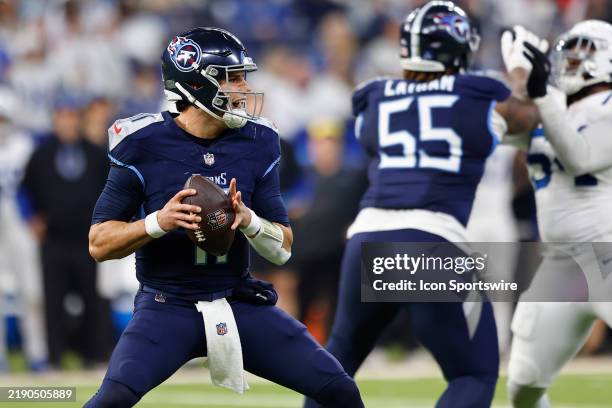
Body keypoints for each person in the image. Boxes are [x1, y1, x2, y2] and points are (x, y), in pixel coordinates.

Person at [84, 27, 363, 408]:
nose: (244, 89)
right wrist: (158, 222)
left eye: (243, 78)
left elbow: (282, 249)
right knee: (111, 398)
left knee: (339, 390)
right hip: (168, 306)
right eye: (231, 78)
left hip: (238, 299)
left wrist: (248, 220)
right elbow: (98, 243)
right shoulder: (142, 143)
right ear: (195, 83)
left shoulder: (258, 141)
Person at [303, 1, 545, 407]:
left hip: (368, 236)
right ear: (460, 48)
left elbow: (373, 139)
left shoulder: (374, 96)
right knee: (474, 372)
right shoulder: (480, 95)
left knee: (339, 361)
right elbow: (526, 115)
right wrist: (522, 73)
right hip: (430, 238)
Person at [505, 20, 612, 408]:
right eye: (566, 51)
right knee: (523, 387)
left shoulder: (607, 105)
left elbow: (579, 156)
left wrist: (539, 95)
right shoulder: (547, 106)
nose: (569, 61)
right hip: (560, 263)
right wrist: (517, 75)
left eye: (582, 52)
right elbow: (498, 125)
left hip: (606, 254)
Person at [20, 92, 114, 368]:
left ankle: (94, 355)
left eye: (72, 117)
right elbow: (25, 191)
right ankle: (55, 358)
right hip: (54, 239)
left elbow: (110, 191)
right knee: (53, 299)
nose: (67, 122)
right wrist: (32, 219)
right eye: (62, 117)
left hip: (89, 238)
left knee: (92, 297)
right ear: (55, 120)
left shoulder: (95, 153)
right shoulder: (41, 154)